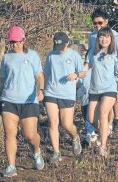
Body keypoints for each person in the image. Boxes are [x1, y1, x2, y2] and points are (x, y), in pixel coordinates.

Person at [0, 26, 45, 177]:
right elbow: (3, 80)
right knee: (9, 133)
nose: (15, 45)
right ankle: (11, 166)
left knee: (30, 135)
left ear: (24, 40)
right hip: (8, 99)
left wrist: (41, 90)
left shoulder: (32, 55)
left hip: (29, 101)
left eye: (17, 41)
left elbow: (40, 76)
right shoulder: (6, 57)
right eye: (12, 42)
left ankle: (36, 151)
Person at [84, 27, 118, 156]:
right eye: (101, 36)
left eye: (107, 37)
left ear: (111, 39)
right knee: (92, 119)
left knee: (104, 112)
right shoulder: (93, 51)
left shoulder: (114, 53)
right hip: (94, 89)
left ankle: (103, 146)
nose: (104, 39)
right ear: (98, 38)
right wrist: (79, 75)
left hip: (109, 89)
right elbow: (87, 66)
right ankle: (105, 131)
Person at [44, 32, 84, 164]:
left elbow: (83, 72)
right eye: (56, 45)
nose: (59, 48)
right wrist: (41, 89)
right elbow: (46, 73)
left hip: (67, 94)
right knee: (52, 122)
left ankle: (75, 136)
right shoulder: (51, 55)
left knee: (66, 124)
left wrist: (76, 74)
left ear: (67, 43)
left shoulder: (74, 55)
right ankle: (56, 152)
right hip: (51, 92)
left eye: (61, 45)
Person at [88, 8, 118, 135]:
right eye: (95, 23)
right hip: (96, 77)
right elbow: (91, 54)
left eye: (100, 23)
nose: (97, 26)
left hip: (111, 76)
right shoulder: (92, 35)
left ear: (106, 21)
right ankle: (102, 127)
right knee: (96, 114)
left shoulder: (115, 35)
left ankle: (109, 125)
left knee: (106, 108)